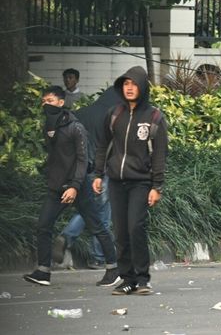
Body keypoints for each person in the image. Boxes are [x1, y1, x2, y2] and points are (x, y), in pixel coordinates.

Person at [23, 86, 119, 287]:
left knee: (97, 225)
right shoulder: (50, 126)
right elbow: (57, 157)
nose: (45, 104)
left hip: (79, 184)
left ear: (60, 102)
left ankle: (113, 269)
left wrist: (74, 186)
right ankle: (43, 271)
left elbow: (82, 160)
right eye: (44, 101)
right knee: (43, 225)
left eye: (50, 100)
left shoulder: (76, 126)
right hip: (57, 185)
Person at [93, 66, 168, 295]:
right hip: (116, 181)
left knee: (136, 227)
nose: (129, 88)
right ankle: (127, 279)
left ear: (142, 87)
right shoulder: (114, 113)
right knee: (121, 232)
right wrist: (98, 174)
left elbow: (159, 154)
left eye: (134, 84)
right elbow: (103, 144)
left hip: (141, 182)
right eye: (126, 84)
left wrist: (157, 186)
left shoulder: (154, 116)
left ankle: (143, 279)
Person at [54, 87, 120, 269]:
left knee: (90, 207)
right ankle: (92, 253)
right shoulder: (112, 118)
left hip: (77, 169)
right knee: (101, 212)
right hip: (99, 170)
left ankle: (80, 246)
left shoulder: (81, 113)